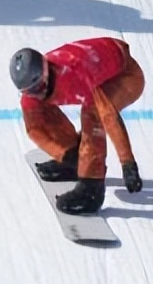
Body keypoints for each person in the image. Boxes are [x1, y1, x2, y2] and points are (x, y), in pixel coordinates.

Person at [10, 37, 145, 215]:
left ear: (46, 73)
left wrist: (127, 162)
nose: (39, 93)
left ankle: (92, 190)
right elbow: (34, 128)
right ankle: (76, 159)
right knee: (37, 112)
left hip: (126, 75)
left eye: (40, 86)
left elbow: (107, 115)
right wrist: (66, 155)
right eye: (31, 91)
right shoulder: (34, 91)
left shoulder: (76, 75)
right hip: (99, 67)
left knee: (92, 113)